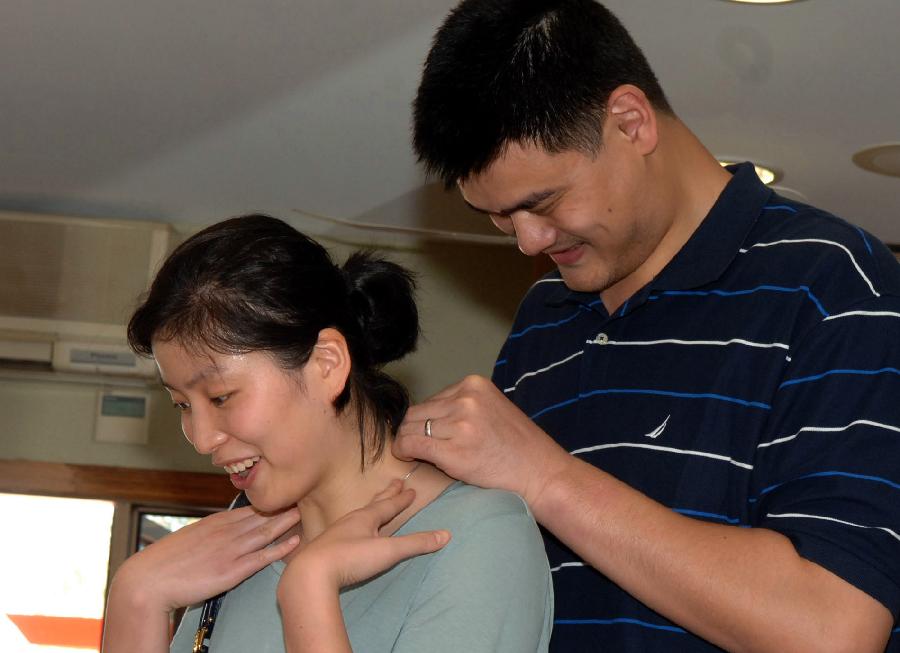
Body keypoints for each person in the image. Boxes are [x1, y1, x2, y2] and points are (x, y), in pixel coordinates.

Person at [394, 1, 900, 651]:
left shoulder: (837, 283)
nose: (527, 241)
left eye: (543, 202)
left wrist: (546, 478)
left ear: (630, 122)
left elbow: (833, 627)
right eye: (497, 217)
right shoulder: (544, 316)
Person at [102, 214, 553, 653]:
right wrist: (137, 596)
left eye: (220, 397)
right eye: (182, 405)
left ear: (326, 364)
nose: (202, 439)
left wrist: (309, 590)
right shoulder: (237, 541)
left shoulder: (481, 536)